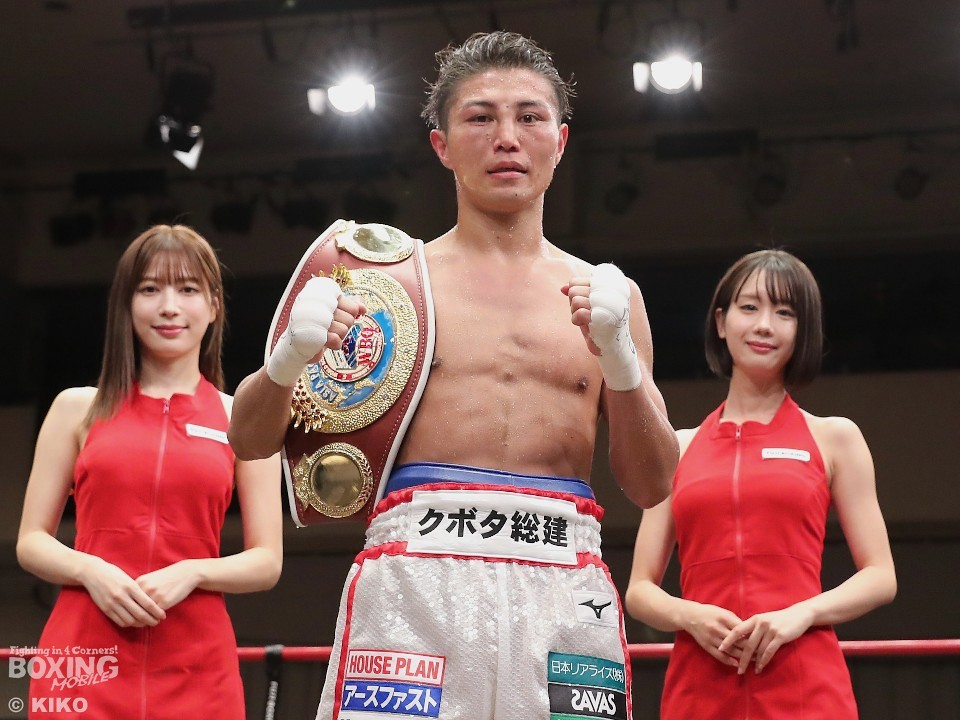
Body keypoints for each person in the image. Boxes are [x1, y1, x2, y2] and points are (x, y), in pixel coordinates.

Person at [228, 31, 677, 720]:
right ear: (441, 145)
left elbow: (653, 484)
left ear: (560, 141)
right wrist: (287, 360)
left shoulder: (610, 298)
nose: (507, 138)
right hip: (417, 577)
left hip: (562, 578)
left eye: (529, 117)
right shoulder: (383, 283)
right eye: (481, 117)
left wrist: (620, 362)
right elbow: (248, 438)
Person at [17, 224, 282, 719]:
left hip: (197, 667)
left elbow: (266, 560)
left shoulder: (242, 419)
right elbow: (31, 540)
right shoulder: (76, 408)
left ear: (214, 305)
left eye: (188, 290)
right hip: (83, 657)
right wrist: (89, 569)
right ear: (126, 303)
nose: (169, 307)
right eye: (150, 289)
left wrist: (194, 571)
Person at [624, 249, 897, 719]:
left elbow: (880, 575)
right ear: (721, 321)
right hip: (700, 685)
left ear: (802, 330)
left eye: (785, 312)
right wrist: (689, 614)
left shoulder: (835, 438)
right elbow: (639, 589)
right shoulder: (678, 447)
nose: (765, 325)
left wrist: (802, 613)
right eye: (749, 307)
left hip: (804, 682)